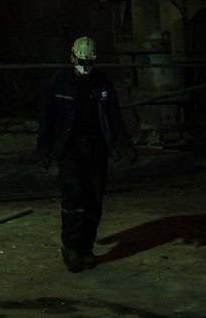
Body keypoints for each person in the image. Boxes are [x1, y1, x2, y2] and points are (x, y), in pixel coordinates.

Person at [35, 35, 137, 272]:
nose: (86, 67)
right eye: (82, 61)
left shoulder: (101, 83)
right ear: (72, 57)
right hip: (70, 149)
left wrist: (125, 144)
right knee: (75, 195)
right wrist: (42, 150)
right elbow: (47, 118)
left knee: (94, 198)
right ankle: (71, 246)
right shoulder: (60, 82)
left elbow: (114, 116)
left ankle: (86, 248)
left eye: (90, 62)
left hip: (96, 149)